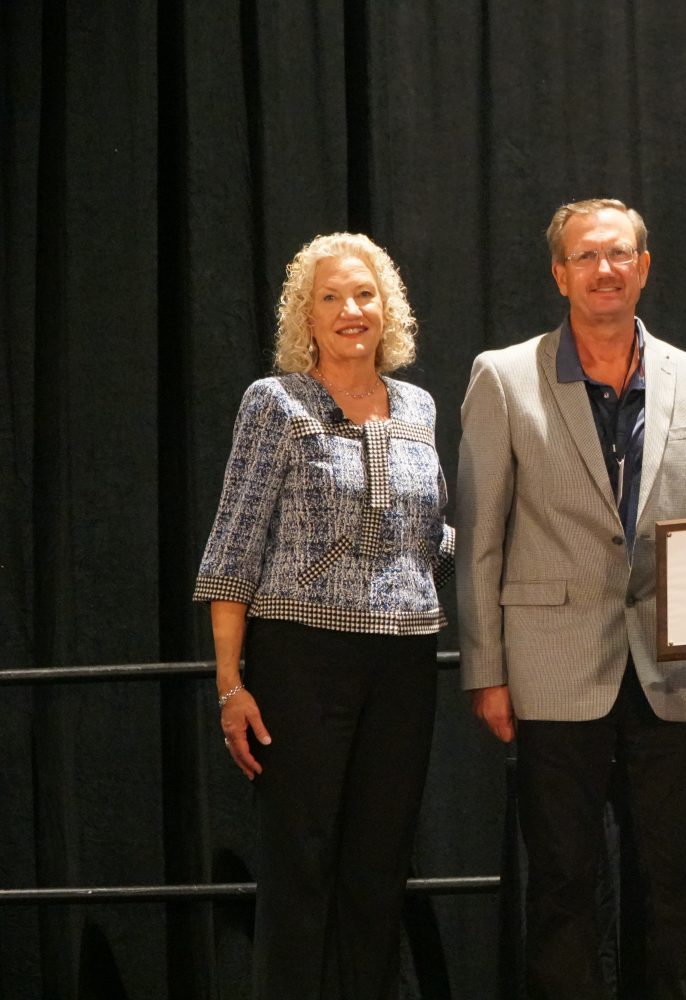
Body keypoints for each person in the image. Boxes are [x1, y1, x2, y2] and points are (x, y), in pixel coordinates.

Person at [455, 197, 686, 1000]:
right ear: (561, 273)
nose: (605, 269)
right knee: (561, 887)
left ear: (645, 267)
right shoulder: (503, 376)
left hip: (680, 669)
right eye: (587, 256)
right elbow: (480, 534)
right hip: (551, 670)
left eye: (620, 254)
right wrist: (485, 668)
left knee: (683, 887)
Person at [194, 232, 453, 998]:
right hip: (300, 659)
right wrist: (229, 684)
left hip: (406, 662)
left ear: (388, 309)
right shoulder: (274, 403)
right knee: (300, 866)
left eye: (365, 294)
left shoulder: (419, 407)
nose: (351, 310)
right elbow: (236, 541)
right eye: (332, 297)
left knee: (378, 870)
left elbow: (429, 532)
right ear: (305, 316)